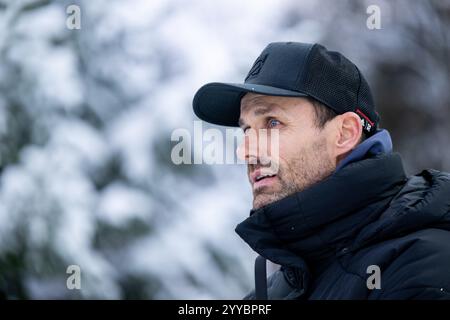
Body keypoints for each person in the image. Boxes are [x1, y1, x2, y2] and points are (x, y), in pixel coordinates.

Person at [192, 42, 450, 299]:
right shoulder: (278, 288)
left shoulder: (421, 270)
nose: (245, 151)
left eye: (272, 123)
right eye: (246, 129)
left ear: (344, 134)